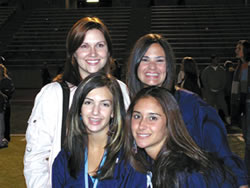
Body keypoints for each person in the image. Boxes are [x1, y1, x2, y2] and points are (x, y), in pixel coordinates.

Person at [126, 33, 248, 187]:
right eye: (145, 59)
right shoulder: (126, 105)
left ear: (169, 66)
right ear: (135, 64)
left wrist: (241, 183)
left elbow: (223, 155)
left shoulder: (192, 105)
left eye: (159, 60)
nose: (152, 67)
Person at [23, 17, 130, 188]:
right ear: (73, 52)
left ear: (109, 52)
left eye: (100, 45)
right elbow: (36, 157)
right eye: (84, 46)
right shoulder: (54, 94)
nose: (93, 53)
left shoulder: (121, 90)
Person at [125, 86, 238, 187]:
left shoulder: (184, 173)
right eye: (137, 116)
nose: (141, 125)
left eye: (153, 118)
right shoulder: (149, 160)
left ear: (170, 122)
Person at [52, 72, 149, 187]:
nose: (95, 111)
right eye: (88, 102)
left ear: (113, 111)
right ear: (79, 108)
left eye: (104, 104)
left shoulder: (130, 161)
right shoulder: (65, 159)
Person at [231, 40, 250, 184]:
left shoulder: (244, 68)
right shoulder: (241, 67)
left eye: (239, 48)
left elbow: (243, 91)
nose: (236, 50)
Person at [201, 54, 230, 125]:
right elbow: (204, 81)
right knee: (210, 106)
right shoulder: (207, 70)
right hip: (209, 92)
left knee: (223, 105)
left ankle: (227, 118)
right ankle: (210, 120)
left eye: (218, 59)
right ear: (212, 60)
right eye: (216, 59)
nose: (217, 60)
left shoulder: (221, 70)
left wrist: (221, 88)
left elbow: (224, 80)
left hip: (219, 91)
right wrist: (208, 89)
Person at [0, 64, 15, 146]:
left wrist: (2, 95)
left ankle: (6, 138)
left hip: (4, 105)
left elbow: (10, 92)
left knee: (5, 122)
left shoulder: (7, 81)